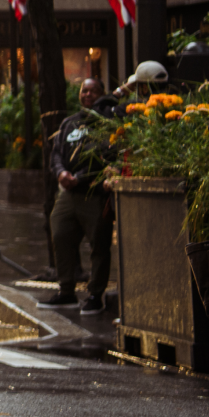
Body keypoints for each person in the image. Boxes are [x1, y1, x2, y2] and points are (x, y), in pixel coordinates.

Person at [41, 78, 120, 314]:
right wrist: (61, 172)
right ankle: (66, 291)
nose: (88, 94)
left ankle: (95, 294)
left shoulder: (107, 123)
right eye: (84, 90)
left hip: (94, 192)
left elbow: (106, 154)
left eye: (93, 90)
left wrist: (81, 176)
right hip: (68, 193)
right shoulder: (69, 123)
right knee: (60, 233)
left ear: (102, 94)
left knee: (99, 244)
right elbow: (56, 153)